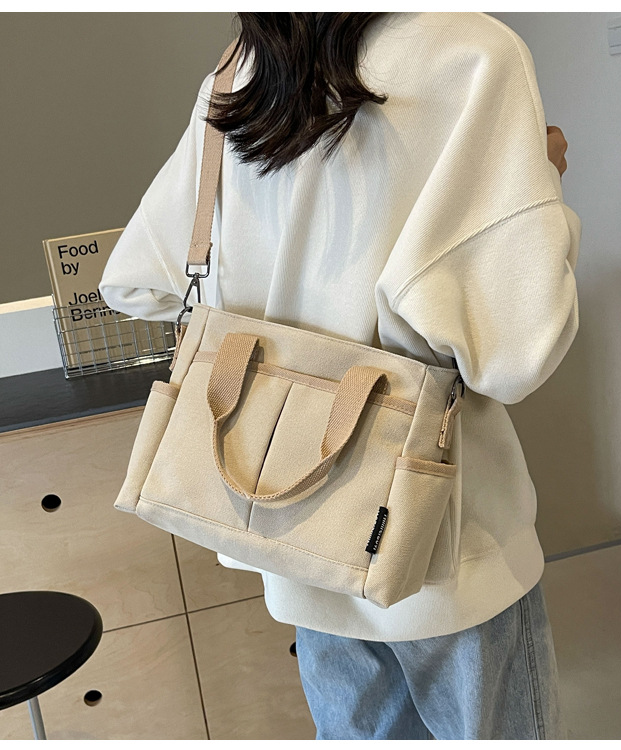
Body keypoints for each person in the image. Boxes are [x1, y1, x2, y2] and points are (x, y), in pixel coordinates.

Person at [99, 12, 581, 740]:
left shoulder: (243, 69)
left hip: (301, 546)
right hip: (448, 549)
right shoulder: (473, 52)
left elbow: (138, 283)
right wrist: (542, 183)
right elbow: (514, 352)